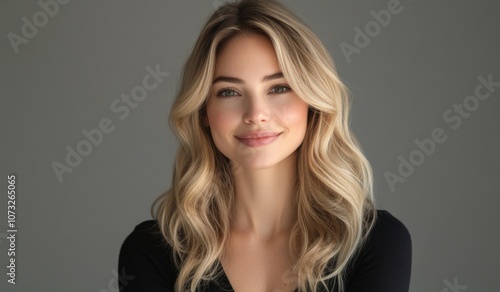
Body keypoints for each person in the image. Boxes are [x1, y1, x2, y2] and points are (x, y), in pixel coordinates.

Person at [118, 0, 412, 291]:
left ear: (312, 102)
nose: (256, 114)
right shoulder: (151, 252)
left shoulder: (374, 242)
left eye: (279, 88)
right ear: (203, 112)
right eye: (229, 92)